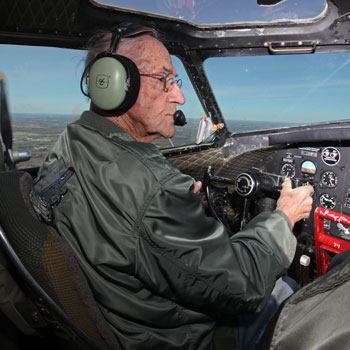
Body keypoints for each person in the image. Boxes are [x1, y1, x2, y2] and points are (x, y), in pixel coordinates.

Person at [30, 24, 313, 350]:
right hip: (180, 339)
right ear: (119, 85)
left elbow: (121, 212)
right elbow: (243, 284)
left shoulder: (69, 143)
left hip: (123, 320)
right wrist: (283, 217)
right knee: (288, 290)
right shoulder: (152, 190)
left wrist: (170, 204)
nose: (179, 96)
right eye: (165, 80)